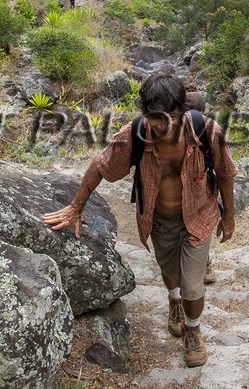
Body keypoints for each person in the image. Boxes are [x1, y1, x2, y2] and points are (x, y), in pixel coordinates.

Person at [42, 72, 236, 367]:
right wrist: (75, 208)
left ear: (182, 111)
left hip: (199, 216)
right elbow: (100, 166)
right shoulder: (133, 135)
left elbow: (225, 173)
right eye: (155, 118)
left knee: (193, 286)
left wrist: (229, 215)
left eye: (171, 117)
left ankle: (192, 330)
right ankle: (173, 301)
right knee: (170, 273)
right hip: (158, 220)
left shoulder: (206, 132)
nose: (162, 126)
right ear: (145, 113)